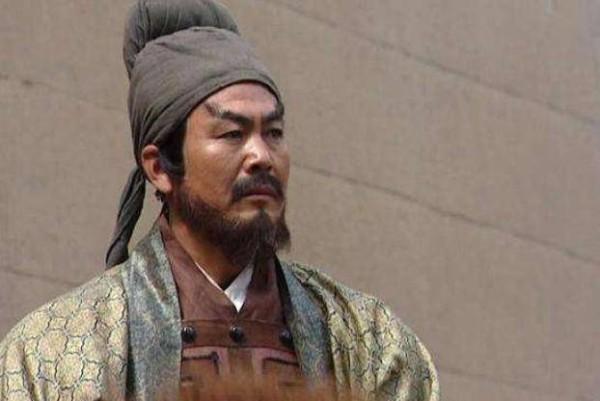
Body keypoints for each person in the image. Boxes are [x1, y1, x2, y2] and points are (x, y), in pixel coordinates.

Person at [0, 1, 440, 400]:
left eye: (274, 133)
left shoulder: (370, 342)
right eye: (233, 134)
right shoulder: (57, 351)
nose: (262, 156)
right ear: (159, 167)